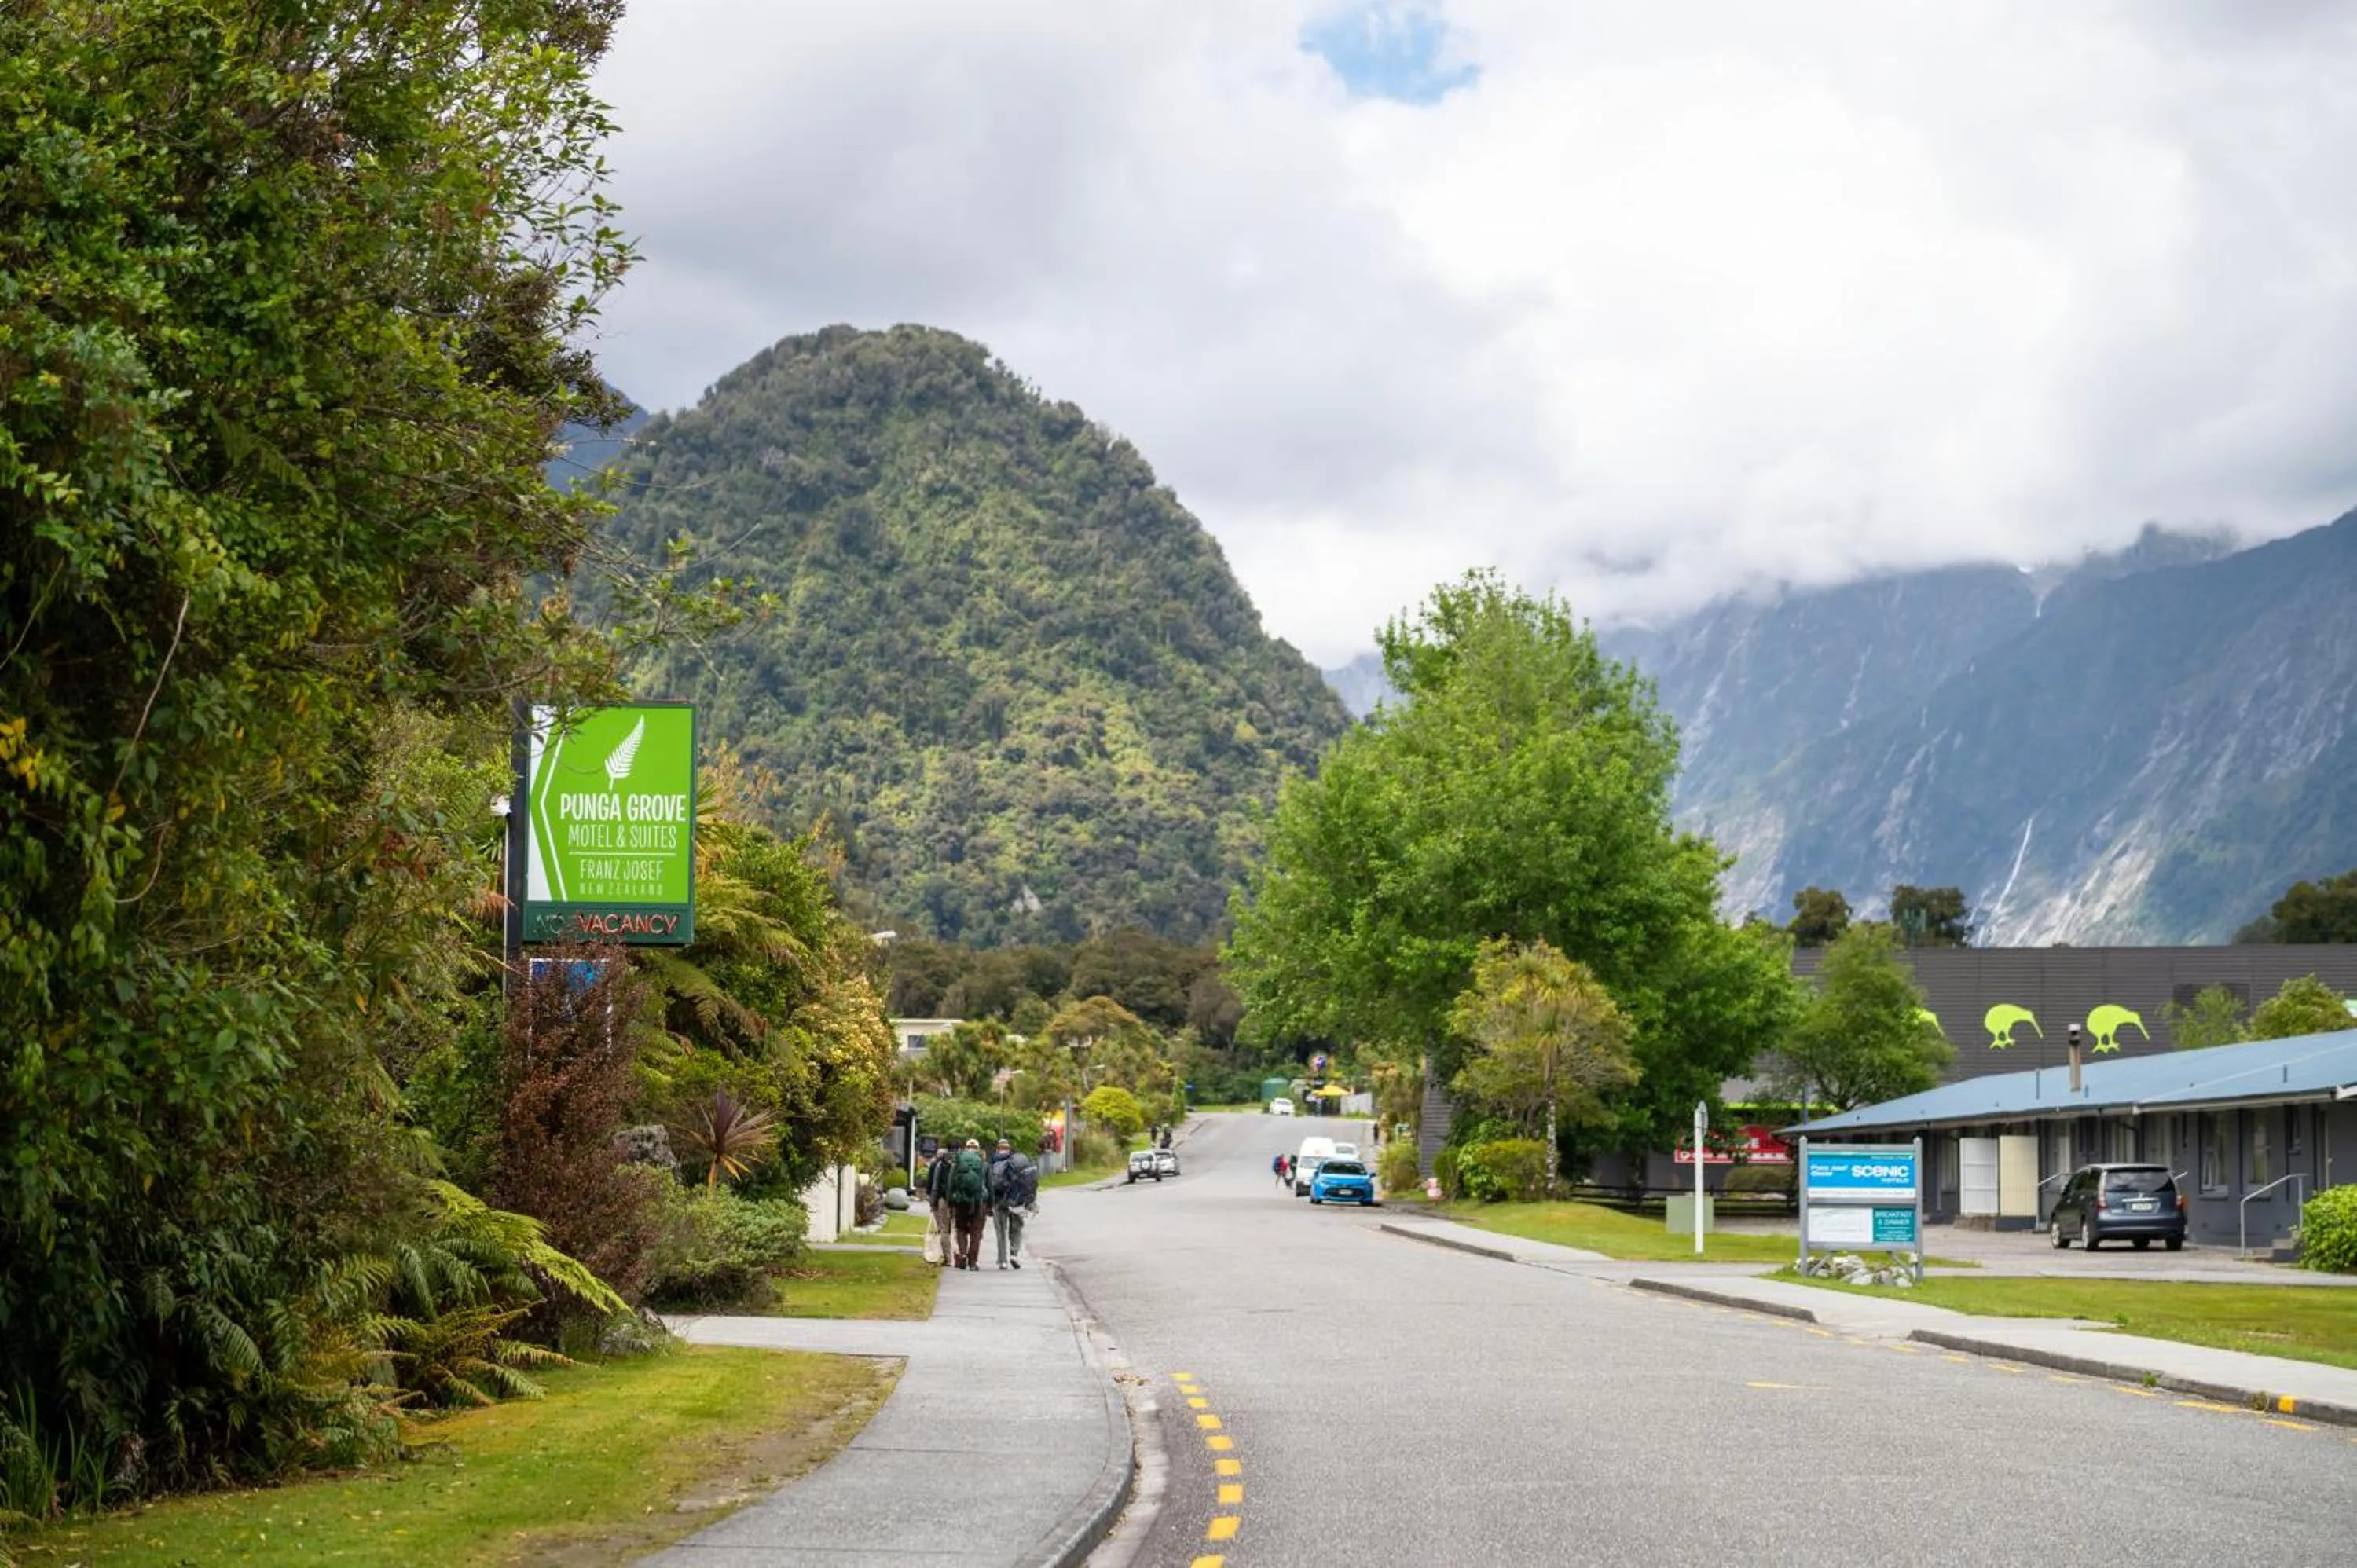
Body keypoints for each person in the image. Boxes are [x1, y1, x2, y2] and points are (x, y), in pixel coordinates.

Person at [988, 1137, 1037, 1269]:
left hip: (999, 1201)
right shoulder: (1017, 1162)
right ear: (1009, 1149)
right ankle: (1014, 1254)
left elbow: (989, 1184)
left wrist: (988, 1204)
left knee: (1001, 1231)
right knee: (1016, 1228)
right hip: (1016, 1201)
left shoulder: (992, 1162)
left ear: (997, 1149)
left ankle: (1002, 1260)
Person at [948, 1138, 991, 1270]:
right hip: (979, 1203)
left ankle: (963, 1254)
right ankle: (973, 1262)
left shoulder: (958, 1163)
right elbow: (989, 1186)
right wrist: (990, 1205)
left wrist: (951, 1202)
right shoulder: (983, 1165)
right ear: (978, 1149)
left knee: (961, 1229)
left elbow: (951, 1184)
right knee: (976, 1233)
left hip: (961, 1201)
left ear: (965, 1148)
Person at [923, 1144, 958, 1269]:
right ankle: (960, 1255)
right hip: (957, 1200)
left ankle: (948, 1258)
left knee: (944, 1228)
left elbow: (934, 1186)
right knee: (955, 1228)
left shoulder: (939, 1165)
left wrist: (932, 1203)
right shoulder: (957, 1164)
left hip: (943, 1200)